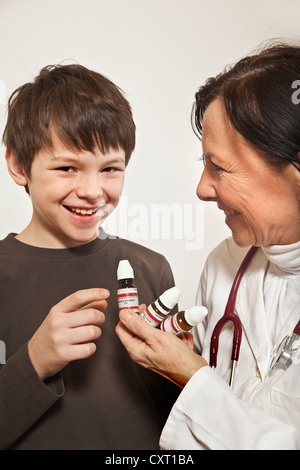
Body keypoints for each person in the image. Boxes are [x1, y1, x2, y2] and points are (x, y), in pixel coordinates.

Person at [116, 42, 300, 450]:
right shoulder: (225, 263)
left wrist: (193, 377)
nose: (202, 189)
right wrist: (177, 362)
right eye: (204, 166)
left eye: (220, 168)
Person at [0, 64, 179, 449]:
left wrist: (181, 370)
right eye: (67, 167)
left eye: (110, 168)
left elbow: (176, 419)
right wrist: (34, 362)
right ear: (18, 166)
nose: (93, 191)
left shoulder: (151, 269)